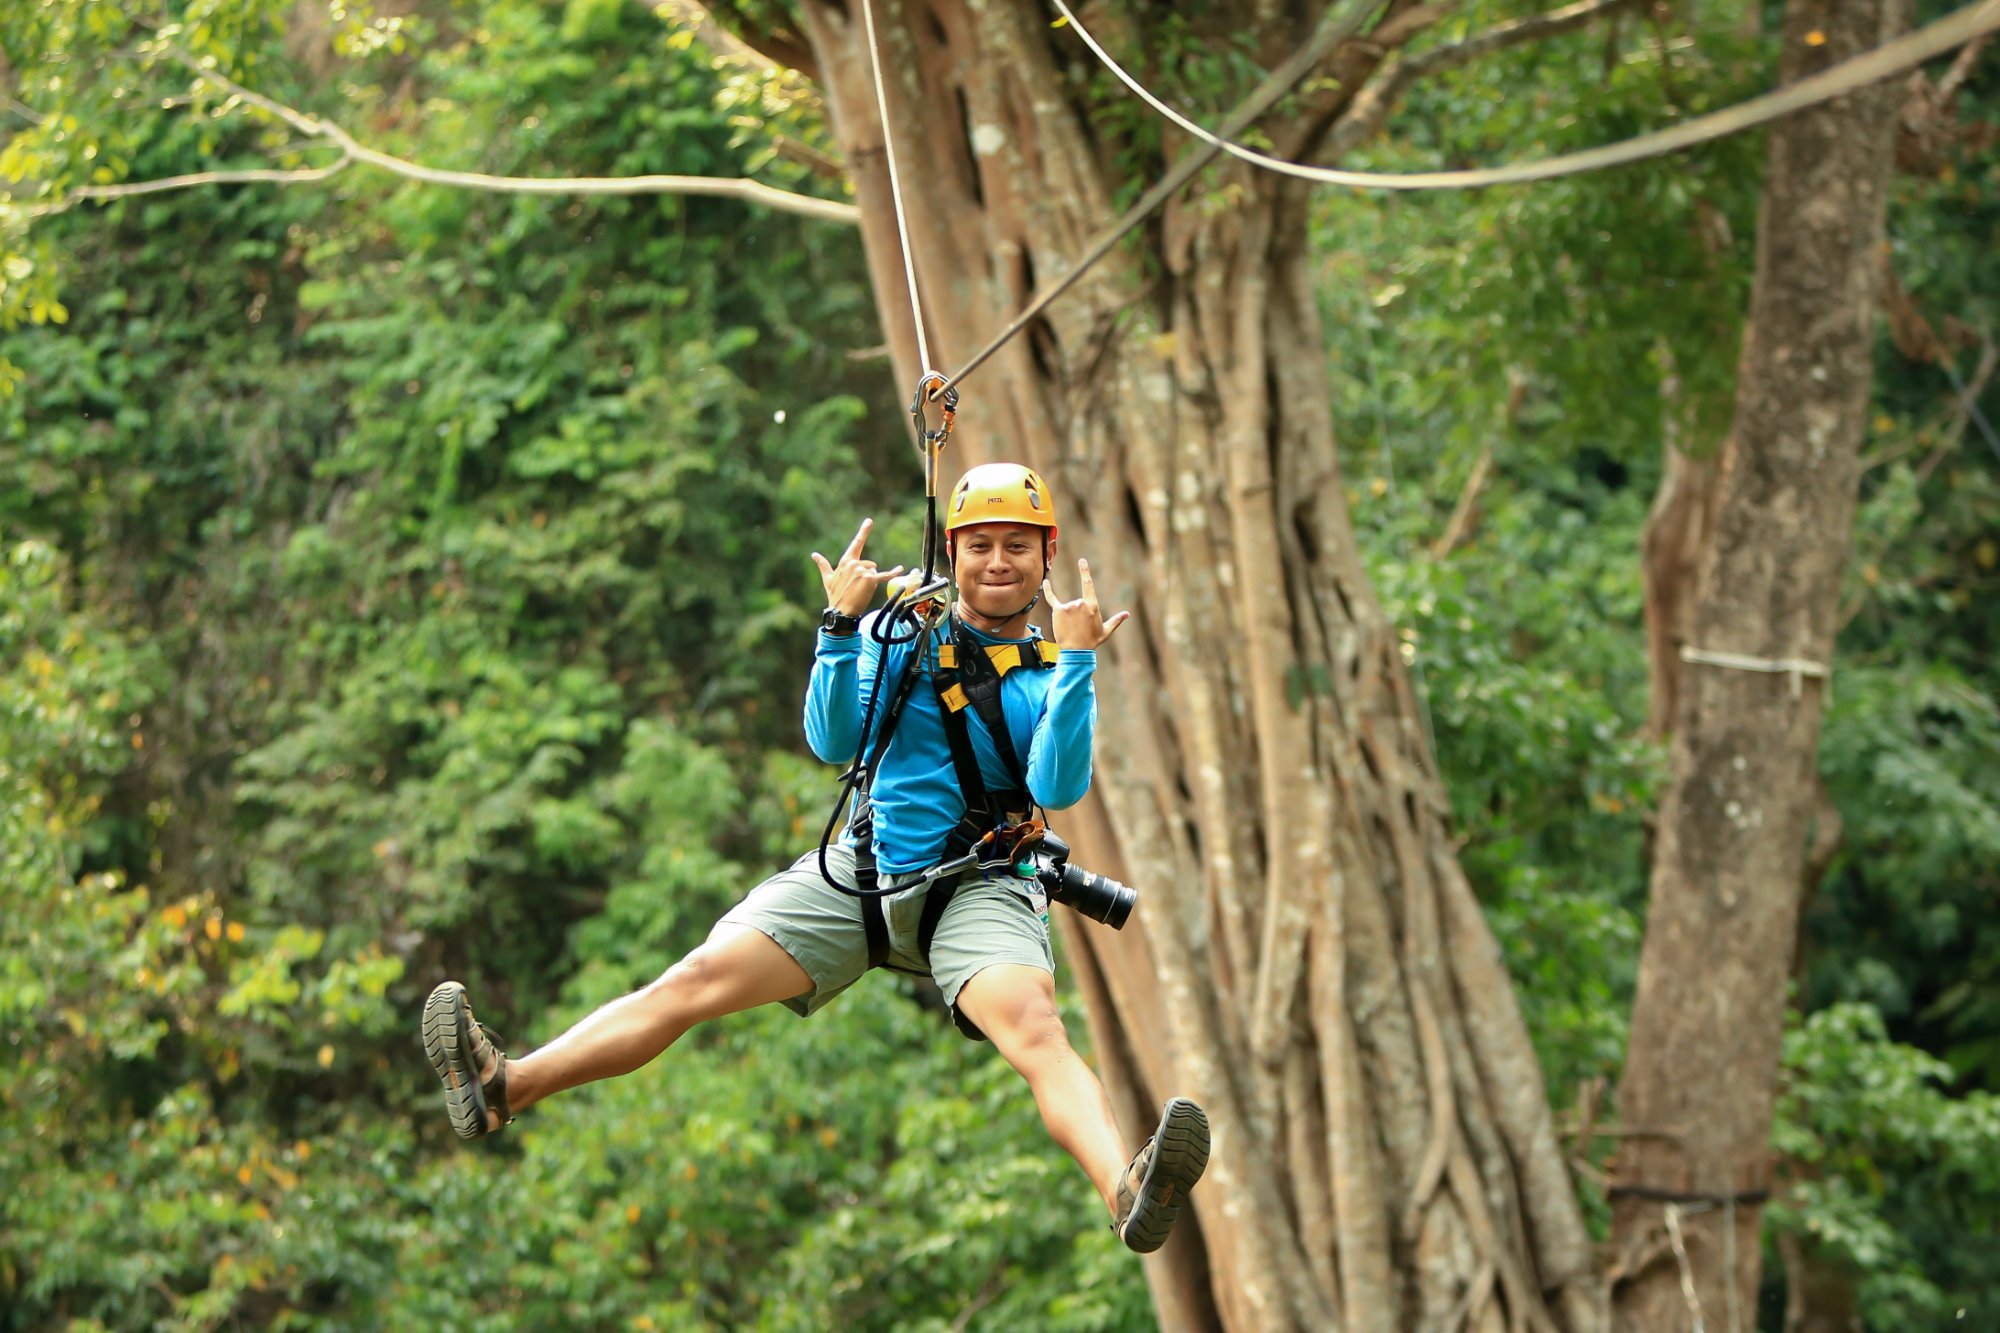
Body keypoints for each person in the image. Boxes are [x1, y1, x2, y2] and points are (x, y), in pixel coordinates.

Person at [422, 462, 1209, 1253]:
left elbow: (1055, 784)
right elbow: (833, 739)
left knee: (1037, 1030)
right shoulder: (898, 629)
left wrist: (1076, 664)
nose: (997, 561)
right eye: (979, 545)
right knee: (691, 981)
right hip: (862, 871)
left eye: (1015, 545)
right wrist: (837, 628)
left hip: (980, 882)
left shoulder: (1048, 672)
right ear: (950, 548)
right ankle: (504, 1085)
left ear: (1046, 556)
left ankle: (1125, 1185)